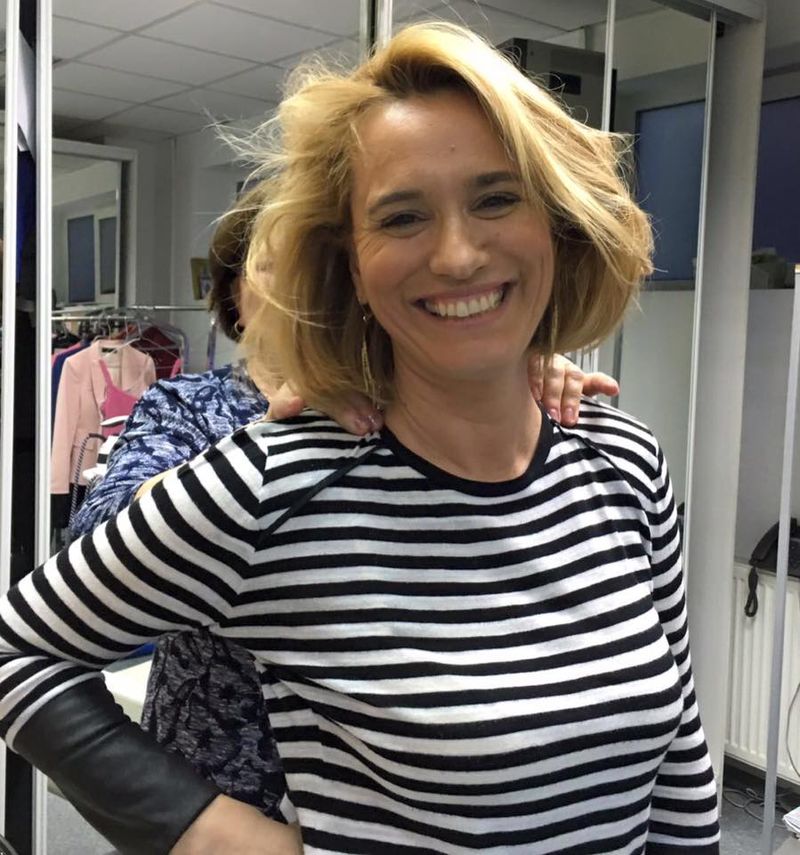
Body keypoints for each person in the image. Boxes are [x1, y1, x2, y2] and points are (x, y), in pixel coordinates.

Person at [0, 21, 718, 855]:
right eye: (402, 217)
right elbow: (19, 651)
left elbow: (678, 753)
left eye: (496, 198)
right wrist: (214, 834)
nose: (458, 255)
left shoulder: (626, 462)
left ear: (559, 224)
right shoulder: (276, 482)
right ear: (351, 267)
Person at [68, 182, 621, 823]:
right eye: (275, 269)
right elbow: (96, 540)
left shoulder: (400, 401)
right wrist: (263, 451)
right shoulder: (187, 407)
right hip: (222, 786)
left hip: (394, 782)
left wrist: (506, 375)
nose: (302, 291)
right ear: (235, 297)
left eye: (319, 269)